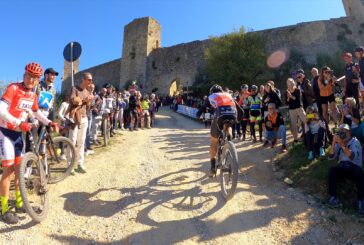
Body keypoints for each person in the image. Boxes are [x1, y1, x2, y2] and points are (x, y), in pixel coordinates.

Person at [0, 62, 58, 224]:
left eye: (35, 78)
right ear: (24, 74)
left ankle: (19, 203)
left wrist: (48, 122)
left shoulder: (32, 94)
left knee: (19, 170)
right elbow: (1, 109)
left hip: (19, 135)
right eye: (29, 76)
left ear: (38, 79)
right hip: (5, 133)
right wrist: (19, 123)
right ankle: (3, 208)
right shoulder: (13, 88)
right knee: (9, 170)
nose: (31, 80)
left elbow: (35, 112)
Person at [327, 124, 364, 215]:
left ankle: (361, 201)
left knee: (359, 173)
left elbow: (351, 156)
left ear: (349, 133)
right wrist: (333, 142)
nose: (342, 133)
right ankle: (333, 197)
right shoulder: (339, 141)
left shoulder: (355, 142)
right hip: (342, 166)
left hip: (353, 167)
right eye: (340, 131)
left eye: (344, 131)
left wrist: (342, 144)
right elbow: (330, 156)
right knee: (332, 170)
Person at [208, 84, 237, 177]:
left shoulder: (212, 96)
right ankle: (229, 140)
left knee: (213, 142)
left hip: (220, 116)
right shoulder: (228, 95)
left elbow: (204, 106)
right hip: (232, 114)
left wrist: (199, 113)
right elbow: (239, 108)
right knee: (229, 124)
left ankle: (212, 168)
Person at [68, 72, 93, 174]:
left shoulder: (88, 92)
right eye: (89, 80)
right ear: (84, 80)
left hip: (84, 118)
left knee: (81, 142)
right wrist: (84, 100)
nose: (91, 82)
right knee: (72, 142)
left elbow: (87, 108)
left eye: (91, 80)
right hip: (74, 119)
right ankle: (70, 165)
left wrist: (88, 102)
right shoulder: (75, 89)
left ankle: (80, 163)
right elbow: (73, 100)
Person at [285, 78, 306, 143]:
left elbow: (297, 100)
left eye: (290, 82)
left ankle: (307, 134)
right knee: (293, 124)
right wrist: (288, 97)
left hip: (299, 107)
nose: (289, 84)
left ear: (293, 83)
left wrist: (291, 96)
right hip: (291, 109)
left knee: (305, 120)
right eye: (288, 83)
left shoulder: (297, 90)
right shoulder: (287, 91)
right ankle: (295, 139)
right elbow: (287, 102)